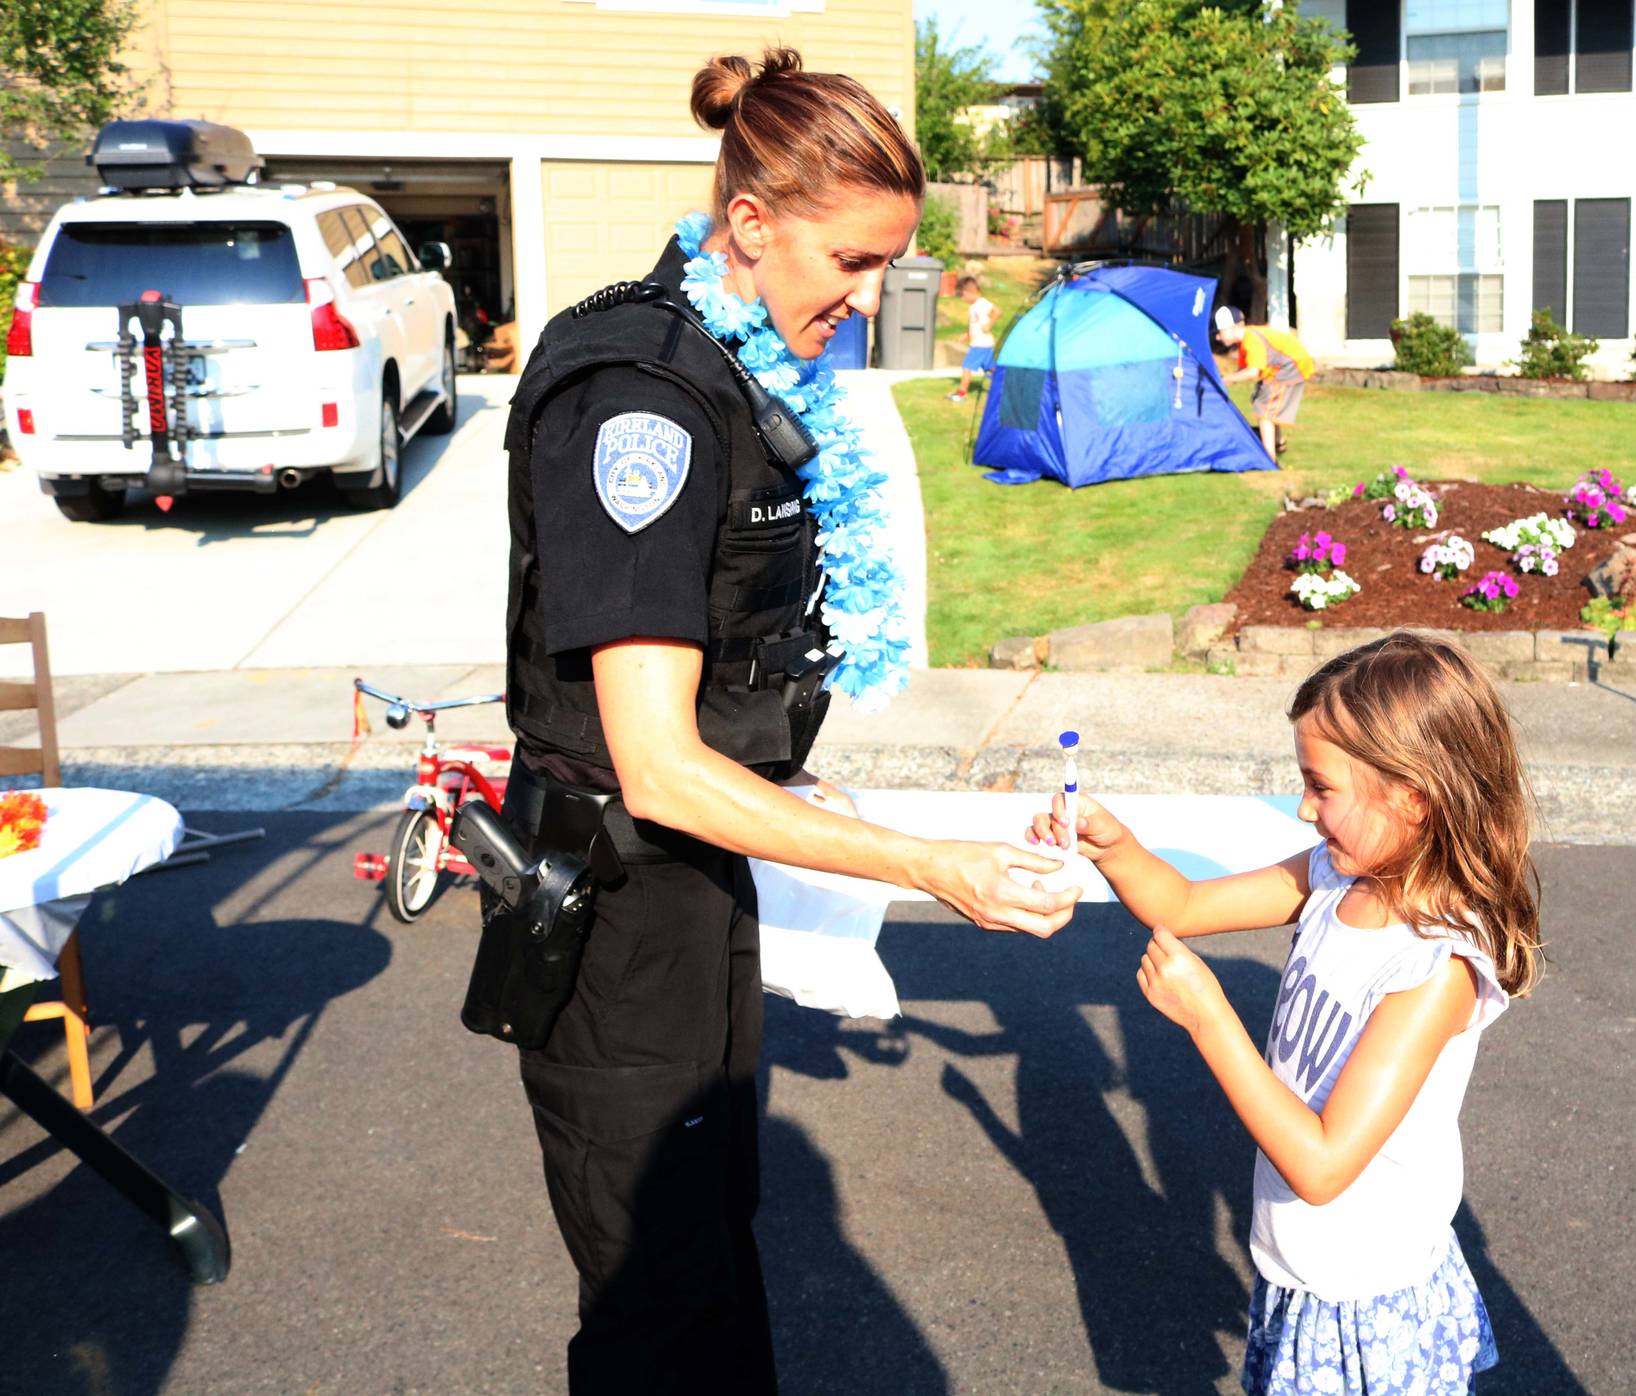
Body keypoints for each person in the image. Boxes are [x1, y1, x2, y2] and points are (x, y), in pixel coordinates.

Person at [498, 47, 1080, 1394]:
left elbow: (724, 682)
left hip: (700, 899)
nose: (872, 301)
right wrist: (937, 871)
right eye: (854, 263)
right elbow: (654, 762)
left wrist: (818, 806)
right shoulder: (641, 401)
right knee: (658, 1313)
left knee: (711, 1265)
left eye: (889, 266)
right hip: (617, 912)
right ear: (752, 223)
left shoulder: (736, 365)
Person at [1031, 633, 1544, 1395]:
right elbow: (1183, 902)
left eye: (1320, 786)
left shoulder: (1434, 967)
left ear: (1412, 793)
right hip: (1304, 1267)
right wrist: (1115, 846)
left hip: (1367, 1298)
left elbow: (1322, 1165)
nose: (1302, 807)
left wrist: (1209, 1019)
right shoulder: (1338, 874)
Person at [1215, 305, 1316, 461]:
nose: (1218, 338)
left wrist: (1227, 379)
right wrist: (1228, 379)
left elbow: (1252, 372)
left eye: (1220, 332)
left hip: (1290, 366)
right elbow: (1244, 368)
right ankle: (1278, 443)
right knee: (1262, 400)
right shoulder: (1245, 341)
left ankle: (1269, 457)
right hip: (1280, 367)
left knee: (1264, 410)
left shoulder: (1250, 340)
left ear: (1235, 327)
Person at [946, 274, 1000, 402]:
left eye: (962, 295)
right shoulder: (973, 306)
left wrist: (989, 324)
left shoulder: (982, 303)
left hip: (980, 344)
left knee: (966, 367)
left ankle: (961, 393)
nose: (962, 299)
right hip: (984, 343)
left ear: (969, 292)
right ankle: (1004, 387)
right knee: (992, 369)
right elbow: (974, 324)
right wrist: (968, 335)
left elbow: (997, 311)